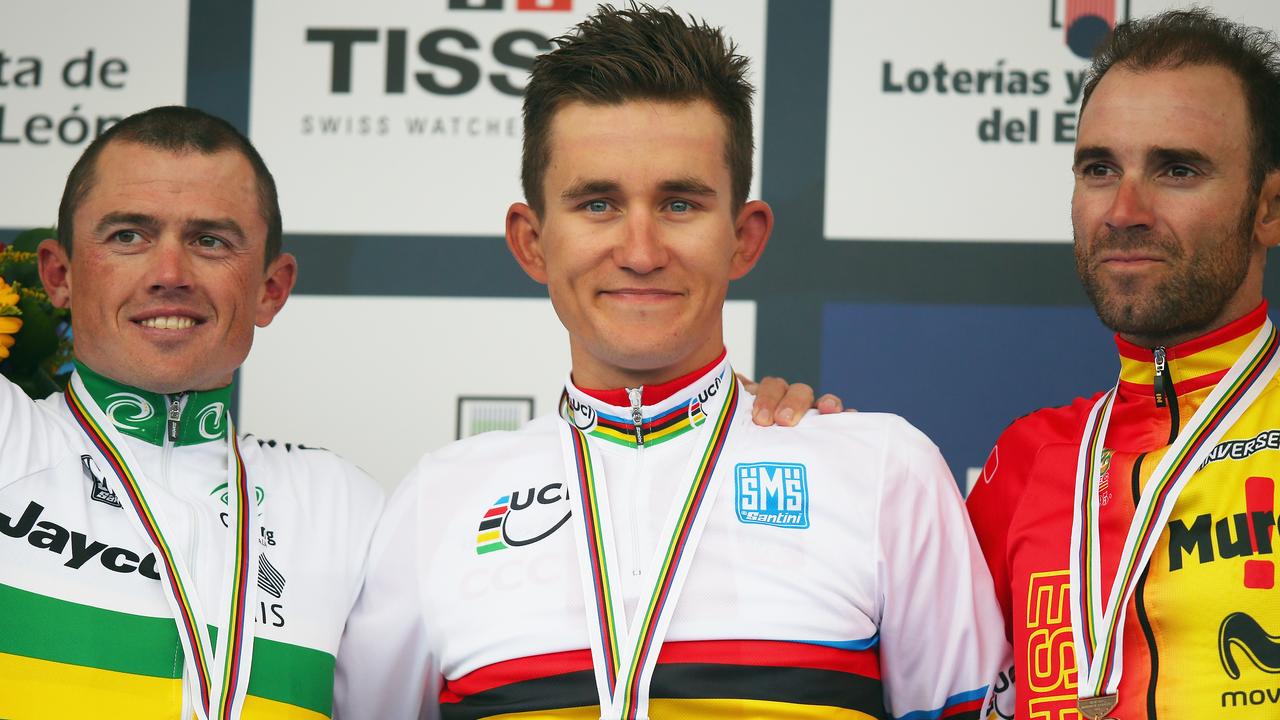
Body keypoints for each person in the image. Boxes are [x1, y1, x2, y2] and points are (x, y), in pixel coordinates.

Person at [333, 5, 1007, 719]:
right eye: (597, 204)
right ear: (532, 242)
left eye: (680, 203)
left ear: (744, 239)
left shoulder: (883, 473)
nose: (642, 250)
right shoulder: (438, 500)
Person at [0, 106, 385, 719]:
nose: (169, 274)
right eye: (128, 235)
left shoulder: (348, 510)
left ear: (270, 288)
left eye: (210, 240)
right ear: (59, 275)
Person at [965, 9, 1280, 719]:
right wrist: (762, 423)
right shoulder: (1023, 462)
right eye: (1100, 168)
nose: (1124, 210)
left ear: (1270, 208)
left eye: (1177, 169)